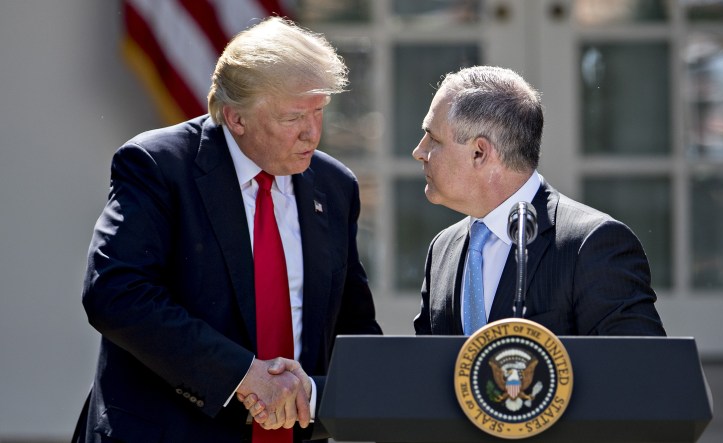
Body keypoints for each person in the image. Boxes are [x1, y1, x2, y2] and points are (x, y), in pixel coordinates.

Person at [73, 17, 382, 443]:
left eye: (318, 111)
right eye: (293, 117)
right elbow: (115, 293)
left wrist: (316, 394)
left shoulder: (334, 185)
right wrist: (242, 376)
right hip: (171, 431)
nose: (312, 132)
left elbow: (354, 325)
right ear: (236, 119)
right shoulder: (158, 166)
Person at [412, 65, 665, 337]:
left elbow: (641, 370)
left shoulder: (593, 245)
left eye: (433, 139)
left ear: (479, 152)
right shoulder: (443, 248)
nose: (419, 151)